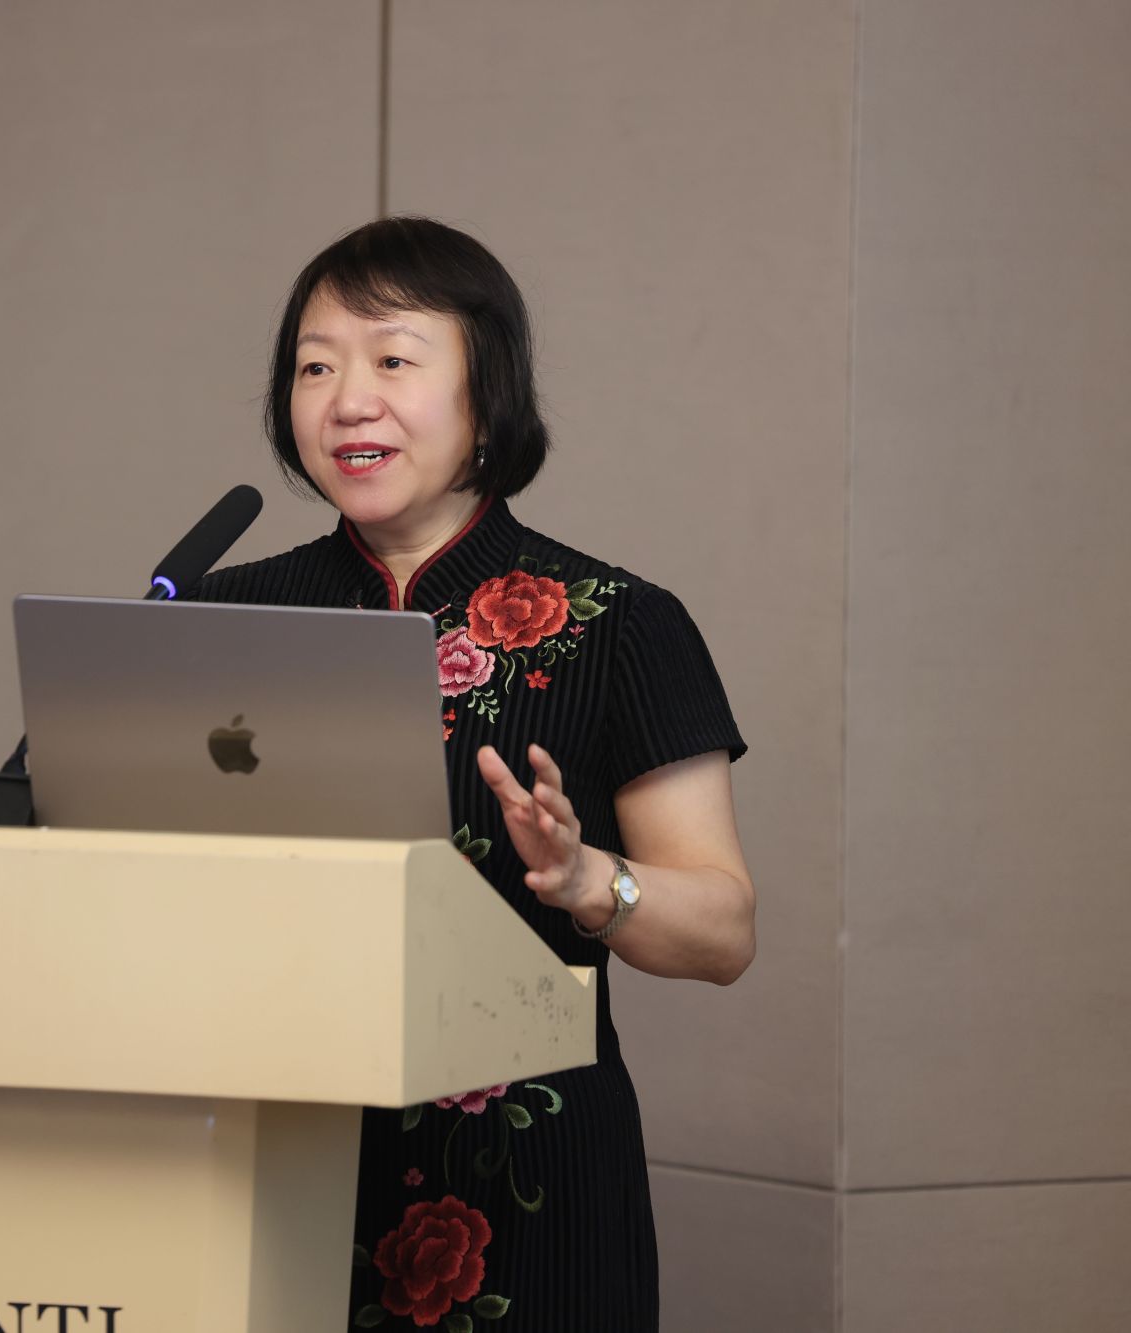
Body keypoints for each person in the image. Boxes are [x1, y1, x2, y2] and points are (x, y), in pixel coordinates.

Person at [194, 216, 755, 1331]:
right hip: (268, 1166)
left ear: (486, 393)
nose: (347, 400)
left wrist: (590, 881)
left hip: (525, 1188)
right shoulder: (223, 615)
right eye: (315, 366)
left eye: (393, 360)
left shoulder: (619, 624)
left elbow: (724, 931)